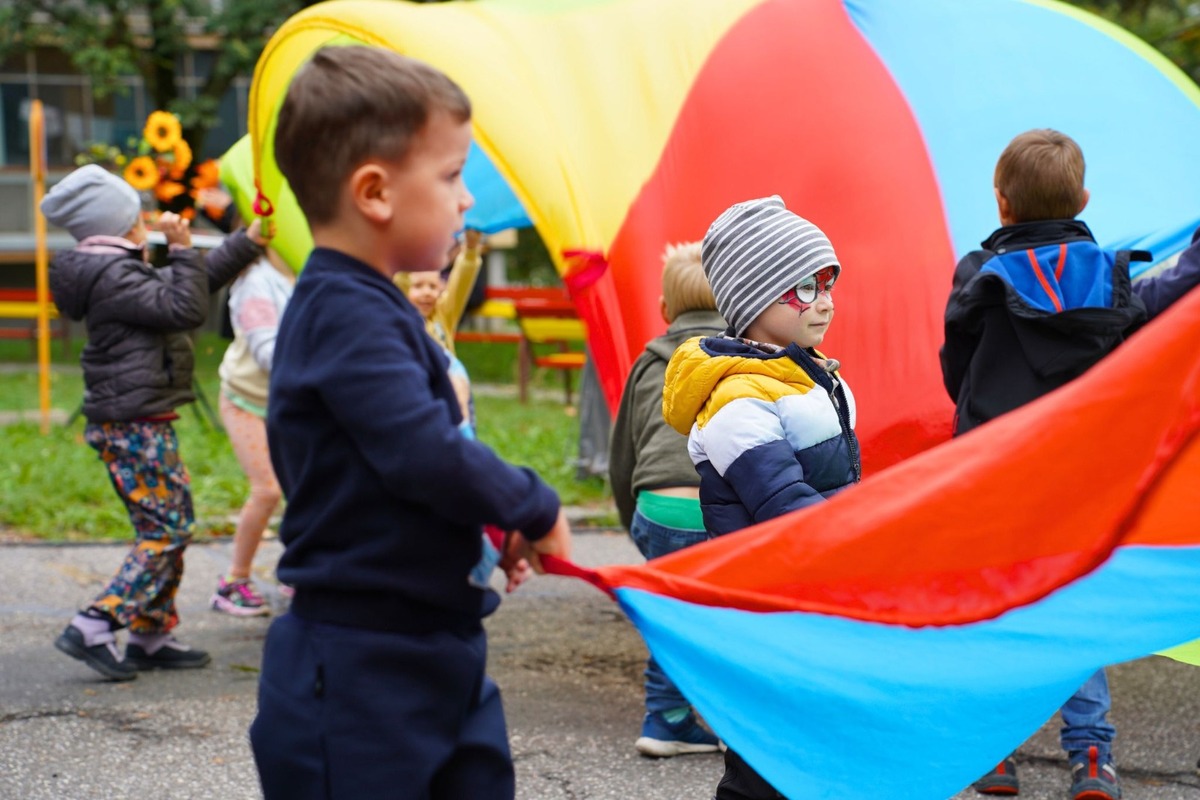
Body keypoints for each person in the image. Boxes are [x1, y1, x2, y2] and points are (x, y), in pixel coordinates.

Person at [248, 45, 572, 800]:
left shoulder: (373, 306)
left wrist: (490, 531)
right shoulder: (343, 313)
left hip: (433, 644)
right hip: (360, 671)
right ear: (375, 193)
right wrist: (530, 502)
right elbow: (422, 452)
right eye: (453, 175)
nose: (466, 201)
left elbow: (395, 472)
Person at [942, 128, 1200, 800]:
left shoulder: (978, 275)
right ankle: (1091, 756)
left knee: (996, 608)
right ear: (1084, 197)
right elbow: (1170, 292)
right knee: (1071, 608)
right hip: (1081, 479)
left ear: (1000, 203)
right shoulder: (1111, 280)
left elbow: (955, 364)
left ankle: (994, 755)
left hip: (993, 472)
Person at [661, 195, 860, 799]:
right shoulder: (737, 402)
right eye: (803, 287)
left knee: (812, 751)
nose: (823, 300)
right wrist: (867, 542)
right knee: (762, 766)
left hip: (814, 591)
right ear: (753, 298)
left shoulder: (812, 377)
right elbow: (785, 504)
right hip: (768, 602)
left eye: (827, 282)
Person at [43, 163, 268, 681]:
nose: (147, 220)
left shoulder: (115, 267)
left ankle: (150, 632)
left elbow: (184, 290)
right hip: (133, 422)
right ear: (120, 223)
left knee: (171, 522)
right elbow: (187, 306)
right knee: (166, 528)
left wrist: (247, 239)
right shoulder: (114, 273)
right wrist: (183, 248)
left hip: (138, 417)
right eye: (137, 213)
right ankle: (96, 622)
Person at [608, 241, 726, 758]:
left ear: (663, 310)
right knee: (719, 618)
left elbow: (623, 454)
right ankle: (717, 721)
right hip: (718, 512)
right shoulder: (742, 358)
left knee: (674, 613)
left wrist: (633, 519)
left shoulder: (649, 363)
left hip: (656, 508)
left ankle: (669, 716)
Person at [398, 230, 529, 591]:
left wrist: (470, 251)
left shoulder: (442, 320)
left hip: (459, 416)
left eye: (433, 285)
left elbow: (460, 282)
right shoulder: (399, 327)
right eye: (417, 286)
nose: (427, 292)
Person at [210, 247, 295, 616]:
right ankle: (233, 582)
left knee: (305, 486)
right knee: (268, 490)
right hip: (247, 399)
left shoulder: (307, 270)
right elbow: (269, 353)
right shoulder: (256, 282)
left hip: (288, 401)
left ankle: (298, 572)